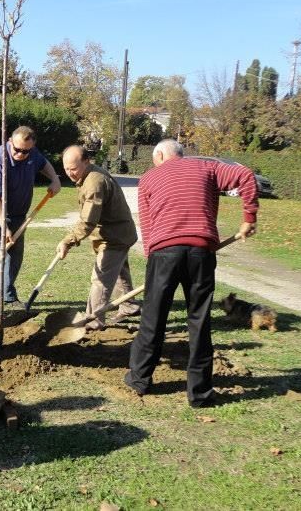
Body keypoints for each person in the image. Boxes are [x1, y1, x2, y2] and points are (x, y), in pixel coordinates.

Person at [126, 140, 258, 407]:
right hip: (201, 252)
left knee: (153, 316)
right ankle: (199, 394)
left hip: (164, 253)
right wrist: (249, 219)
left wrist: (153, 259)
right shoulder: (207, 167)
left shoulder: (149, 178)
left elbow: (148, 223)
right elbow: (245, 175)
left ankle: (139, 379)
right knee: (199, 320)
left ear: (160, 155)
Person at [0, 126, 61, 318]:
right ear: (10, 142)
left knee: (15, 256)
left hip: (19, 214)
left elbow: (43, 163)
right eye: (17, 149)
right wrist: (3, 225)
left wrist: (55, 179)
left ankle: (7, 296)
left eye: (26, 151)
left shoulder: (32, 153)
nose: (21, 154)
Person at [55, 145, 140, 330]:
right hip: (117, 232)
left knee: (101, 278)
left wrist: (67, 241)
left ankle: (93, 322)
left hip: (114, 237)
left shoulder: (94, 182)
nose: (69, 173)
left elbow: (88, 221)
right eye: (66, 168)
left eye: (74, 168)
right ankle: (129, 306)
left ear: (86, 161)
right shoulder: (89, 174)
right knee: (118, 269)